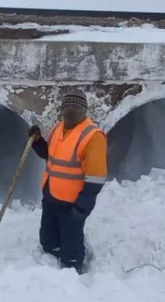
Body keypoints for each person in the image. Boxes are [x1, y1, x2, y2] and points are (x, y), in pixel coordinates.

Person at [27, 89, 107, 274]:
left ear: (84, 110)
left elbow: (95, 178)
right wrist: (37, 142)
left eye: (76, 107)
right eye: (67, 107)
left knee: (71, 242)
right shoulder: (58, 128)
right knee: (48, 239)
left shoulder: (92, 136)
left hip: (72, 202)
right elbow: (51, 156)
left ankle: (73, 268)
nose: (70, 111)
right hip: (51, 195)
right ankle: (52, 254)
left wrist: (82, 208)